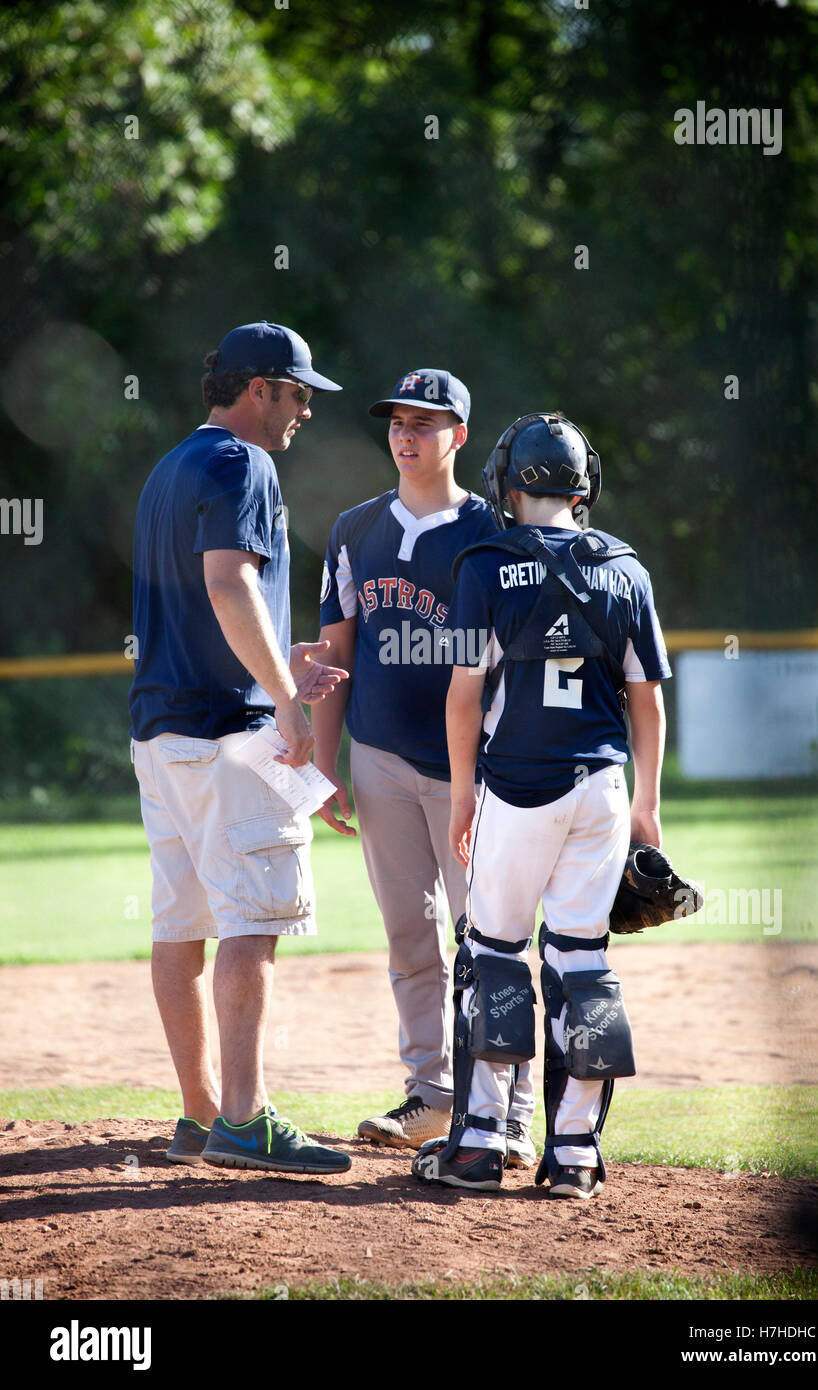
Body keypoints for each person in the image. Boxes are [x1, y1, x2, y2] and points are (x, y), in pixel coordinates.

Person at [411, 412, 671, 1195]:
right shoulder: (624, 567)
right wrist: (647, 807)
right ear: (583, 485)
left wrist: (462, 795)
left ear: (511, 482)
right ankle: (575, 1154)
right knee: (583, 963)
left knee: (493, 951)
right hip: (599, 785)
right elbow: (647, 701)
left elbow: (463, 697)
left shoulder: (484, 563)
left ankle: (482, 1143)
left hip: (517, 786)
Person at [129, 320, 352, 1176]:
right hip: (229, 734)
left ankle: (198, 1113)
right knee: (253, 924)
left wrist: (278, 663)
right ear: (259, 390)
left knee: (180, 924)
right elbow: (229, 583)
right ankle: (245, 1120)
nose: (303, 413)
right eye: (298, 395)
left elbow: (200, 607)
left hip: (164, 732)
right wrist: (289, 706)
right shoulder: (241, 462)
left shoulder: (169, 468)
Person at [313, 369, 535, 1163]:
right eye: (398, 421)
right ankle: (432, 1093)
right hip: (377, 759)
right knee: (411, 935)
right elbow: (337, 652)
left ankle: (508, 1109)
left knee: (492, 937)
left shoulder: (495, 534)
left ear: (459, 437)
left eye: (427, 422)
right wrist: (322, 758)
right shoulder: (354, 529)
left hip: (474, 769)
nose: (407, 434)